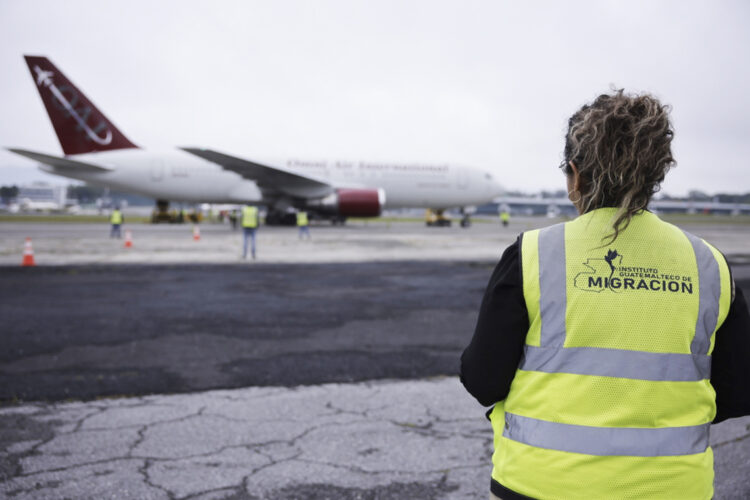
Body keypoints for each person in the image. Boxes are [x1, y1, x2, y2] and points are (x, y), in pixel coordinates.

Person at [460, 90, 750, 500]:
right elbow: (738, 391)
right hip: (672, 488)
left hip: (539, 484)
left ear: (575, 175)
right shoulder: (709, 266)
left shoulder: (533, 255)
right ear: (655, 174)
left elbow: (482, 379)